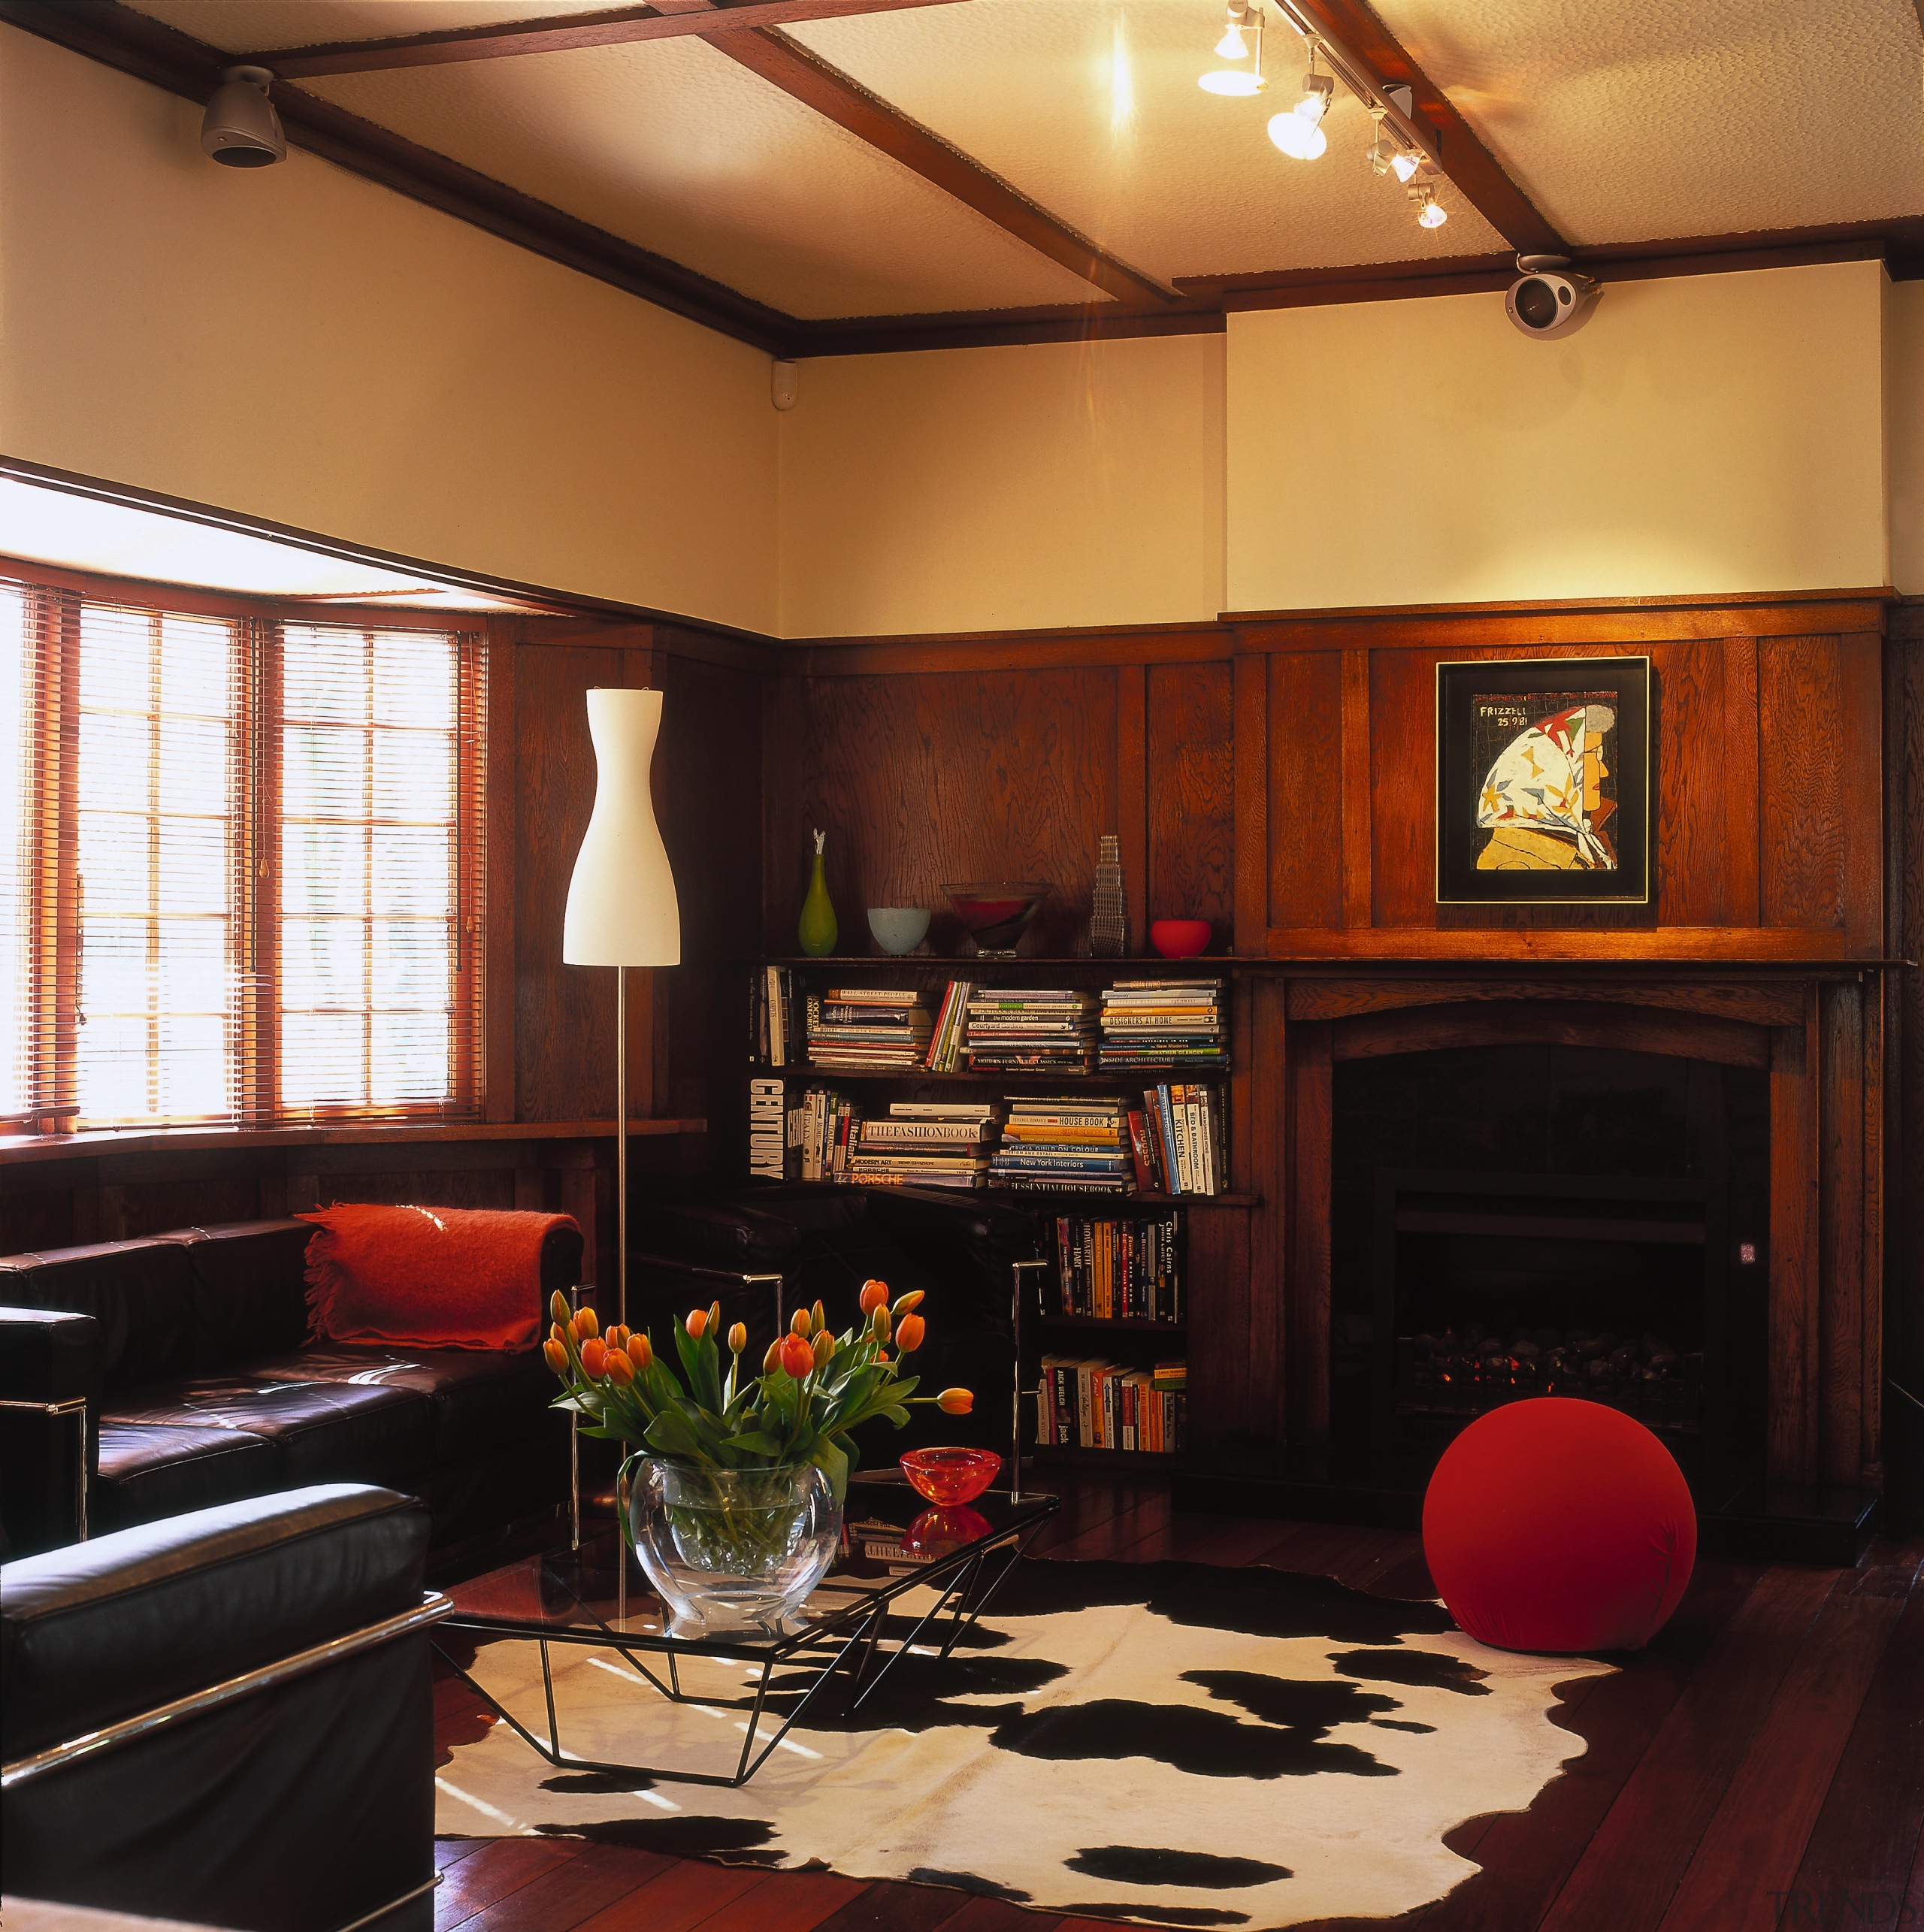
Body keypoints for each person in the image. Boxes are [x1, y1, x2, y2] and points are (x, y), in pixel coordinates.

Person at [1474, 700, 1617, 871]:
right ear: (1551, 771)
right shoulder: (1513, 862)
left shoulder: (1589, 838)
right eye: (1594, 754)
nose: (1604, 772)